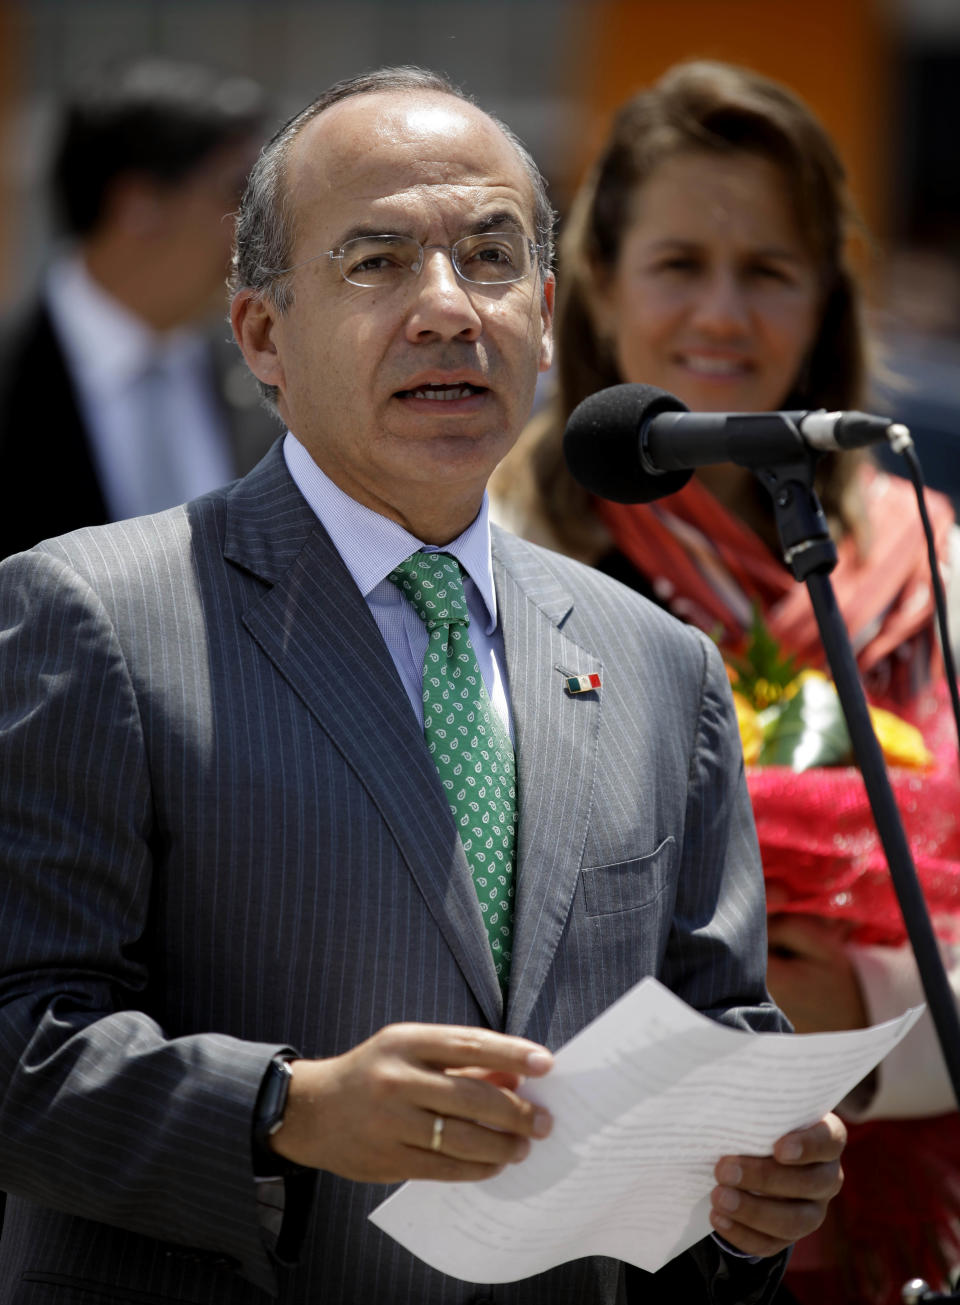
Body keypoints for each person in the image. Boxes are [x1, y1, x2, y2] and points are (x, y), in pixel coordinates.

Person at [0, 66, 845, 1304]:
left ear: (548, 319)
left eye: (490, 259)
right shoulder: (96, 615)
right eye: (376, 262)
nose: (448, 309)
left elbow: (718, 1052)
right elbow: (20, 1046)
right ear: (261, 335)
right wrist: (287, 1109)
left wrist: (753, 1206)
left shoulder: (664, 668)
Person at [491, 58, 960, 1305]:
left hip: (905, 1235)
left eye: (769, 270)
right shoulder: (492, 549)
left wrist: (849, 1031)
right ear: (594, 282)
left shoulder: (932, 560)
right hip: (600, 1244)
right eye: (679, 264)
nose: (723, 314)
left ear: (826, 303)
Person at [0, 56, 277, 562]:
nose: (265, 229)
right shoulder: (16, 381)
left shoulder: (274, 382)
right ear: (140, 204)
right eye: (240, 191)